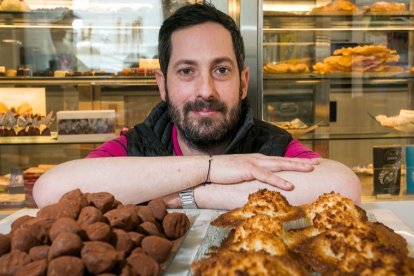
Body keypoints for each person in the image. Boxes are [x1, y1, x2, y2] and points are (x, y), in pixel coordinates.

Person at [33, 3, 361, 209]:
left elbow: (344, 187)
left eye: (221, 70)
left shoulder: (270, 146)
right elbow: (51, 189)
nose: (205, 90)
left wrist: (195, 195)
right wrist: (211, 168)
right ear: (163, 85)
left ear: (243, 82)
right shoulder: (139, 143)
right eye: (187, 71)